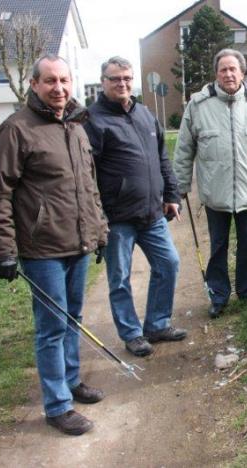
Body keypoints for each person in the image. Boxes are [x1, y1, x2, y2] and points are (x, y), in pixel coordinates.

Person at [0, 55, 108, 436]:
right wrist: (4, 251)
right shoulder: (16, 130)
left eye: (65, 80)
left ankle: (70, 381)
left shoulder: (76, 125)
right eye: (50, 81)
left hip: (78, 244)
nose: (59, 88)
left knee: (72, 319)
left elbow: (89, 187)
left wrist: (99, 231)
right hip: (42, 250)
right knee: (52, 327)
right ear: (34, 85)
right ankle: (57, 406)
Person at [173, 48, 247, 318]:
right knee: (218, 246)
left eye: (232, 69)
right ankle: (219, 295)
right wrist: (180, 187)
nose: (228, 74)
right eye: (222, 69)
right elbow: (183, 149)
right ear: (216, 74)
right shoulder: (198, 106)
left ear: (242, 72)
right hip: (216, 193)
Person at [84, 56, 186, 358]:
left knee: (168, 263)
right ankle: (132, 334)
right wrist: (97, 217)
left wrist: (172, 194)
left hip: (153, 213)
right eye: (115, 78)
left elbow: (161, 159)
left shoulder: (144, 113)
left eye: (127, 78)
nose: (122, 83)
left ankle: (157, 324)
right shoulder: (92, 120)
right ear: (103, 82)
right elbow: (86, 174)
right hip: (117, 218)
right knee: (120, 278)